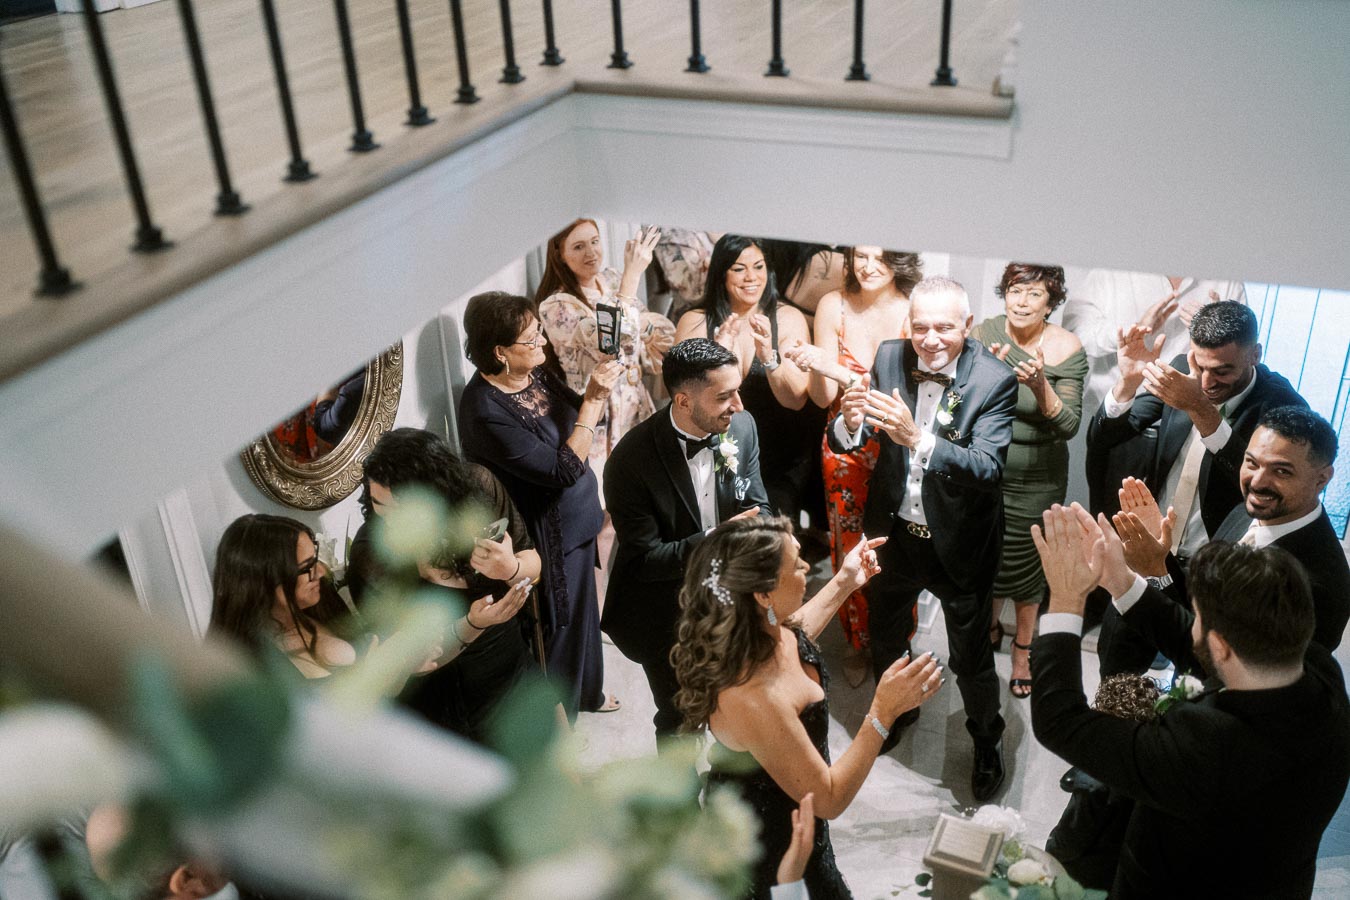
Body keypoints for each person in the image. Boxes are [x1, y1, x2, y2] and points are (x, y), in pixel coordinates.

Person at [1029, 503, 1350, 900]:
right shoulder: (1317, 671)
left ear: (1221, 646)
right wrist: (1121, 580)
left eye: (1196, 615)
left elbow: (1061, 721)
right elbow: (1196, 642)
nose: (1191, 623)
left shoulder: (1206, 748)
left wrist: (1064, 600)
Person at [672, 516, 943, 900]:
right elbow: (829, 798)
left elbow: (795, 636)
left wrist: (846, 580)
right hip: (771, 839)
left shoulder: (762, 630)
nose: (805, 568)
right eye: (796, 563)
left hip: (798, 817)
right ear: (763, 595)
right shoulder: (752, 697)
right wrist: (883, 711)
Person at [827, 275, 1016, 801]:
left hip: (960, 542)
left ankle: (985, 740)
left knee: (971, 658)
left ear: (968, 326)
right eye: (921, 328)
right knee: (888, 635)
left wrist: (919, 439)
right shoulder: (890, 358)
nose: (931, 340)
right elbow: (856, 434)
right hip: (895, 535)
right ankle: (899, 711)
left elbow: (987, 468)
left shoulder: (995, 380)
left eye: (945, 328)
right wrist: (848, 423)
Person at [1087, 299, 1307, 675]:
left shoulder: (1281, 405)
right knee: (1116, 664)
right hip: (1150, 553)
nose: (1206, 382)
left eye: (1222, 371)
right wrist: (1126, 382)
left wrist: (1199, 408)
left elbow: (1257, 483)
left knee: (1198, 674)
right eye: (1199, 365)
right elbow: (1108, 436)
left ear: (1255, 354)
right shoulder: (1179, 372)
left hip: (1214, 565)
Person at [457, 291, 622, 718]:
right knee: (559, 628)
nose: (543, 345)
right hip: (547, 529)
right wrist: (595, 399)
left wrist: (592, 394)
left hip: (581, 516)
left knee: (587, 615)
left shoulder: (537, 374)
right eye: (532, 340)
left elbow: (577, 417)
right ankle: (561, 725)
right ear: (500, 351)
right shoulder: (483, 410)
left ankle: (589, 693)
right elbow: (562, 467)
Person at [601, 338, 771, 741]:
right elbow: (645, 559)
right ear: (682, 400)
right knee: (680, 717)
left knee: (743, 704)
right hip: (666, 611)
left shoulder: (741, 427)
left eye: (737, 391)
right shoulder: (630, 461)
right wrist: (716, 538)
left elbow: (759, 506)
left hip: (735, 599)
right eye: (724, 397)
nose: (739, 406)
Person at [346, 427, 543, 742]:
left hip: (509, 662)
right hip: (447, 695)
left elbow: (532, 563)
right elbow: (406, 656)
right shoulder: (372, 552)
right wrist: (472, 624)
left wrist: (511, 567)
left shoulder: (478, 489)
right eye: (381, 505)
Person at [783, 245, 922, 683]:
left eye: (880, 257)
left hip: (897, 443)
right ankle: (856, 642)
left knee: (896, 543)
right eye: (860, 255)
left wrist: (839, 371)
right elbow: (824, 398)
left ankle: (897, 638)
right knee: (848, 542)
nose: (867, 265)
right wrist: (815, 365)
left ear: (898, 260)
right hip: (843, 444)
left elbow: (906, 396)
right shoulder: (833, 305)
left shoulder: (913, 309)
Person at [1113, 406, 1349, 651]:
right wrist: (1159, 559)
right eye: (1252, 463)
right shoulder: (1244, 511)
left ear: (1322, 479)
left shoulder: (1319, 585)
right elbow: (1199, 604)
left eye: (1281, 471)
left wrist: (1141, 578)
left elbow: (1221, 664)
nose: (1257, 482)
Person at [208, 514, 527, 683]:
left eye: (315, 557)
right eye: (306, 568)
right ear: (265, 584)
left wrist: (474, 622)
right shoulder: (253, 670)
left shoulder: (319, 608)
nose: (321, 570)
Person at [971, 263, 1087, 698]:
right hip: (987, 469)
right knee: (989, 555)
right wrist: (988, 377)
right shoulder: (984, 334)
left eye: (1034, 294)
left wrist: (1040, 386)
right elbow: (961, 400)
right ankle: (988, 629)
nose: (1021, 302)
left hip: (1039, 476)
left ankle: (1023, 648)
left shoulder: (1066, 347)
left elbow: (1070, 425)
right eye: (1015, 292)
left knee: (1029, 561)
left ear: (1051, 303)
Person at [675, 235, 820, 526]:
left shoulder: (788, 318)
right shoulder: (694, 321)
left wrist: (768, 357)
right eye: (739, 269)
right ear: (721, 272)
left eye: (759, 266)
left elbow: (795, 400)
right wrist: (718, 359)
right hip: (714, 456)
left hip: (779, 459)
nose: (751, 277)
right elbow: (683, 405)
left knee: (771, 549)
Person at [535, 219, 675, 482]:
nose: (591, 252)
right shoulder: (556, 306)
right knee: (614, 495)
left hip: (636, 402)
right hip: (599, 413)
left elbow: (659, 331)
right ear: (560, 255)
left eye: (595, 242)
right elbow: (612, 341)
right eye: (578, 247)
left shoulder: (611, 278)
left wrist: (639, 326)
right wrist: (632, 277)